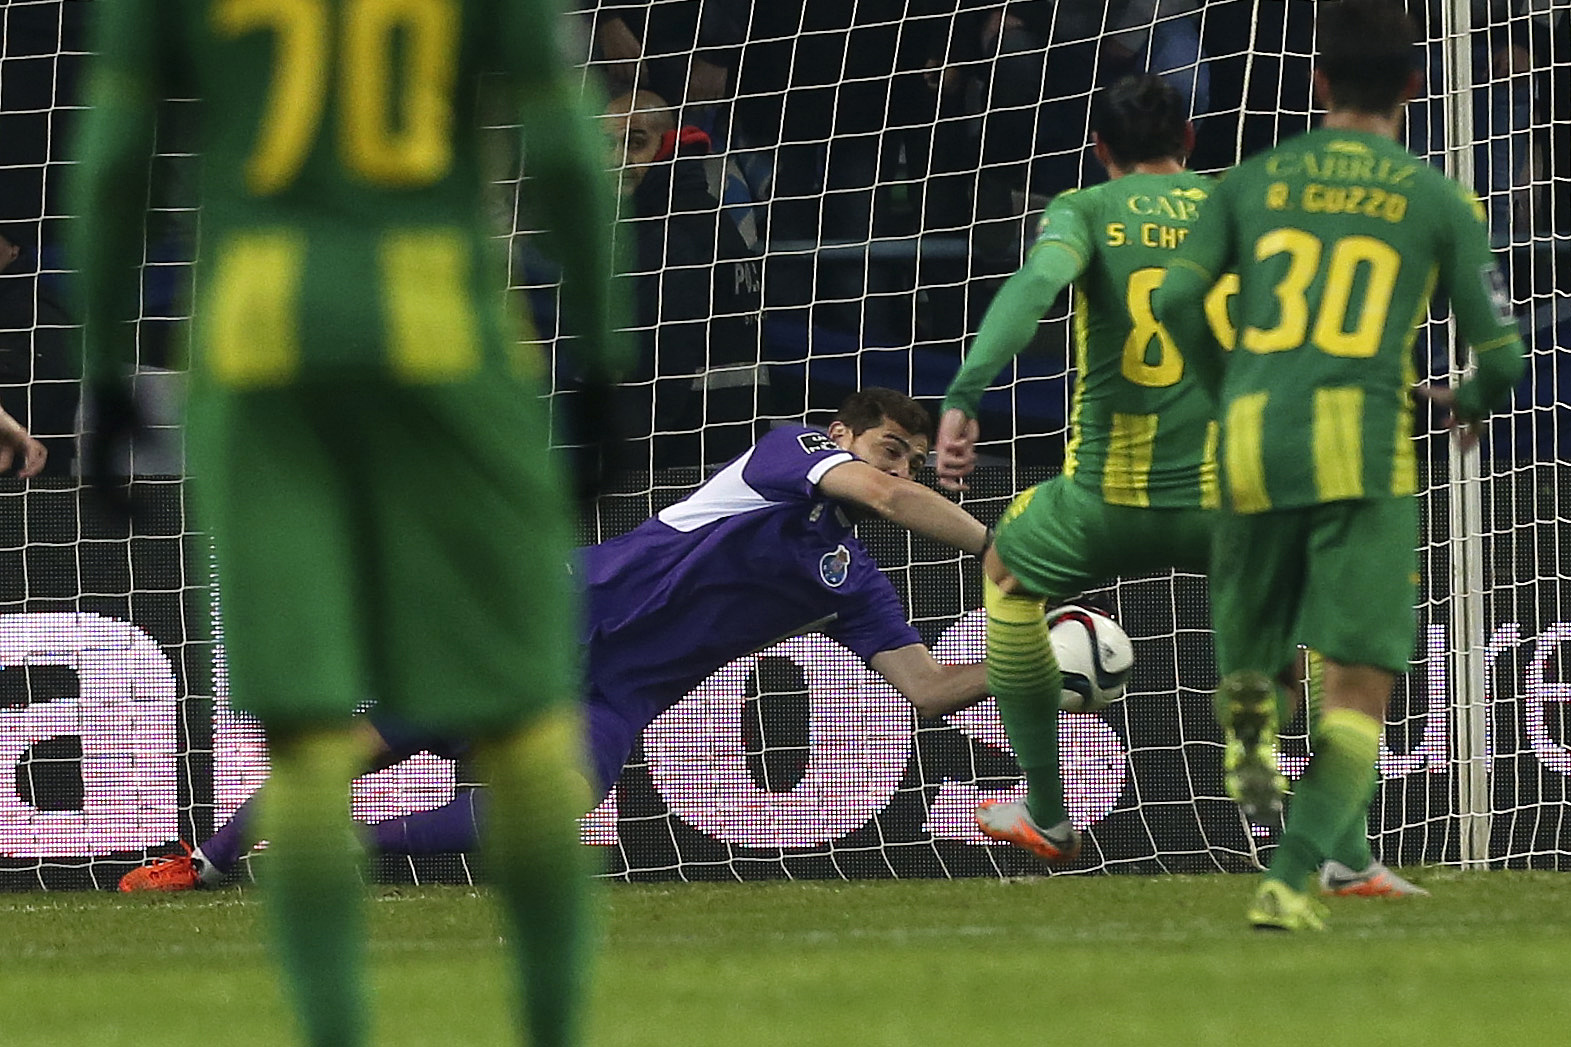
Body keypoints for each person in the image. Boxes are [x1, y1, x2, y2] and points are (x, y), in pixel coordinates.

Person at [72, 2, 629, 1046]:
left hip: (256, 351)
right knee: (521, 728)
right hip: (454, 340)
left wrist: (101, 374)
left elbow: (112, 163)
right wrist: (602, 359)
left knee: (309, 748)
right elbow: (565, 148)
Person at [121, 387, 995, 885]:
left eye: (913, 459)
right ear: (839, 435)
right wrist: (998, 546)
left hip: (615, 694)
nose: (899, 468)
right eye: (889, 447)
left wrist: (1023, 662)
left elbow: (926, 689)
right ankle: (206, 858)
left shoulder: (852, 581)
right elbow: (883, 499)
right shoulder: (787, 452)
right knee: (361, 746)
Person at [938, 73, 1426, 898]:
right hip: (1234, 503)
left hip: (1102, 502)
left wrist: (963, 394)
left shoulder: (1084, 210)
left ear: (1097, 150)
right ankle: (1347, 850)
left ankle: (1046, 809)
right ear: (1190, 141)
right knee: (1309, 654)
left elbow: (1032, 290)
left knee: (1007, 575)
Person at [1153, 0, 1526, 931]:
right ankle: (1287, 879)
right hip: (1358, 447)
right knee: (1358, 680)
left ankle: (1252, 766)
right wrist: (1467, 406)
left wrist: (1226, 383)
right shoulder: (1436, 196)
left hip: (1246, 441)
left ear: (1316, 83)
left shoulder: (1249, 178)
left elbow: (1175, 296)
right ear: (1411, 85)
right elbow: (1507, 357)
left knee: (1252, 663)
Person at [603, 90, 772, 472]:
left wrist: (625, 461)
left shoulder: (669, 236)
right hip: (733, 449)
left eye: (636, 142)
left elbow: (663, 366)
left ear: (668, 143)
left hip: (679, 461)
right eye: (607, 144)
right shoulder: (714, 218)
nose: (616, 160)